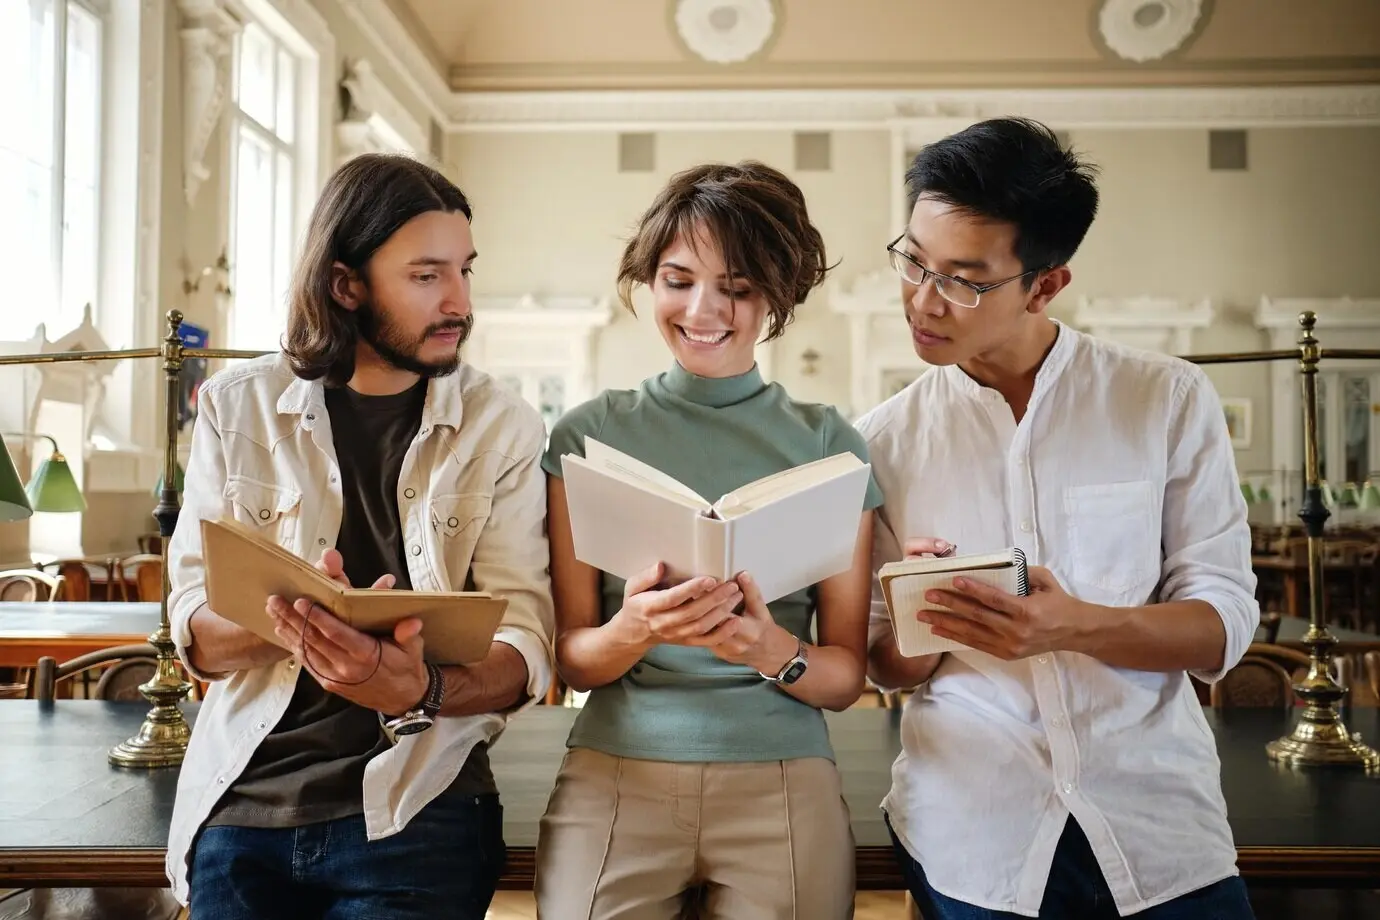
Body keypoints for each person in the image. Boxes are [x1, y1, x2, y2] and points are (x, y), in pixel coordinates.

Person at [856, 118, 1259, 919]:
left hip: (1157, 827)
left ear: (1045, 285)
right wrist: (923, 617)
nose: (922, 301)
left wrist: (1073, 626)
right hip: (973, 831)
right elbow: (882, 664)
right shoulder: (882, 440)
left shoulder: (1165, 400)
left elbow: (1224, 624)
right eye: (913, 262)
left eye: (964, 280)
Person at [163, 153, 555, 919]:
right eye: (426, 275)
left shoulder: (502, 426)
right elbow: (197, 637)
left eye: (465, 271)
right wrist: (303, 621)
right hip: (241, 807)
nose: (459, 302)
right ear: (346, 284)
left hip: (419, 802)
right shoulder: (236, 407)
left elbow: (526, 649)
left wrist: (420, 687)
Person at [535, 161, 883, 920]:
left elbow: (845, 674)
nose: (702, 308)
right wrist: (635, 628)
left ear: (775, 297)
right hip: (615, 768)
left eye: (736, 286)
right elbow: (574, 659)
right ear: (648, 282)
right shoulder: (586, 436)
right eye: (677, 278)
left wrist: (766, 649)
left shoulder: (830, 445)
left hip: (784, 774)